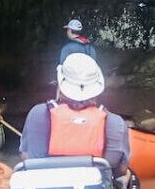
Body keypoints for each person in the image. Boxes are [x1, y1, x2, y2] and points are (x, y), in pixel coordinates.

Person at [19, 52, 130, 181]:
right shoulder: (116, 123)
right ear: (98, 88)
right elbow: (121, 170)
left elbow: (26, 156)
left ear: (60, 85)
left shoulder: (37, 114)